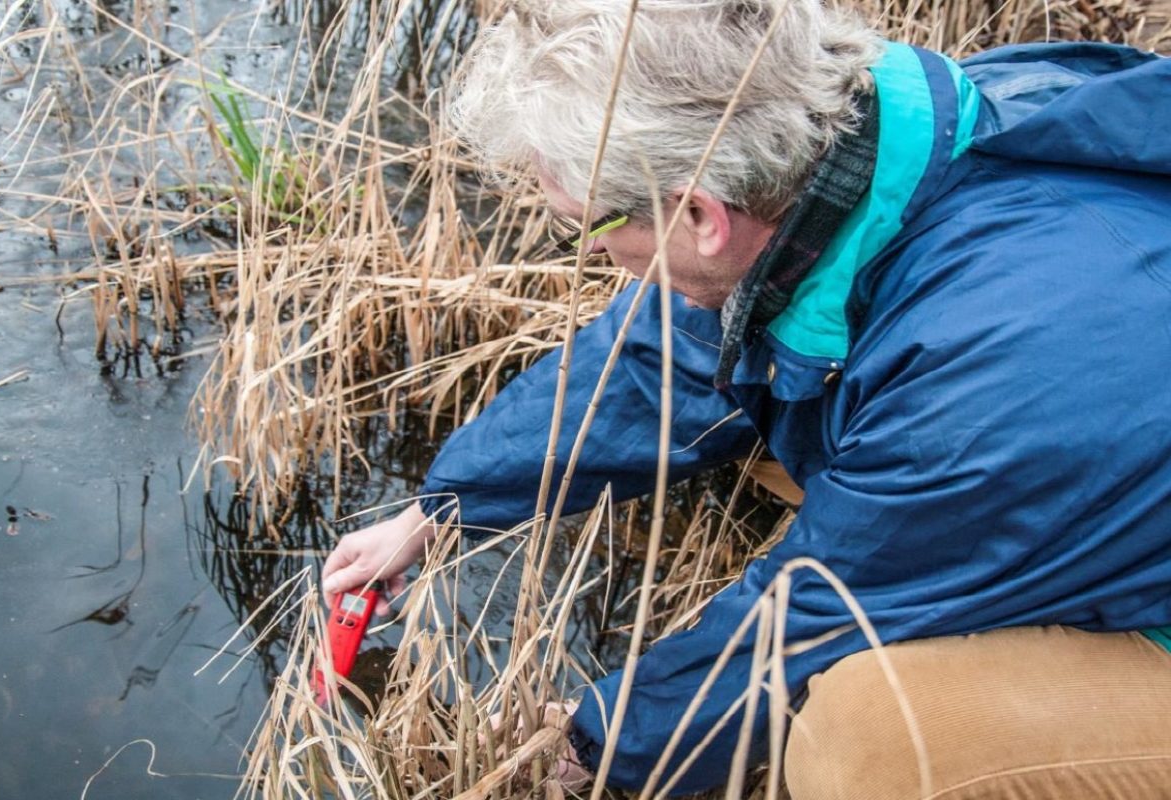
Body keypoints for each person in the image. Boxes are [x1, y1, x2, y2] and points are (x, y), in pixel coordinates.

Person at [321, 1, 1171, 796]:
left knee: (868, 734)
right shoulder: (863, 148)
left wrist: (593, 747)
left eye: (582, 225)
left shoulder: (997, 370)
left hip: (1117, 544)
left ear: (700, 215)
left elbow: (806, 623)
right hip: (1058, 428)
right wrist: (444, 508)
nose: (590, 251)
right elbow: (664, 356)